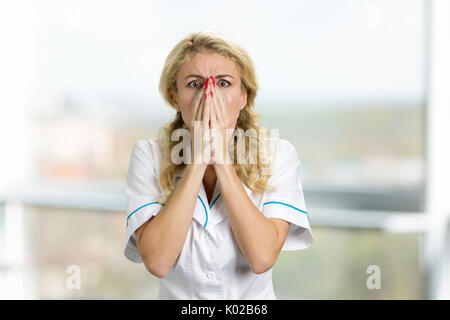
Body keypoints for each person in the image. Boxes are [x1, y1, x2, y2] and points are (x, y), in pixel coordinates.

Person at [123, 30, 313, 299]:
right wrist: (198, 159)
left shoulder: (279, 154)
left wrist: (221, 158)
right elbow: (158, 261)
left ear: (244, 96)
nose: (209, 96)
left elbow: (261, 257)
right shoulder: (148, 155)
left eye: (223, 83)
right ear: (175, 97)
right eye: (194, 84)